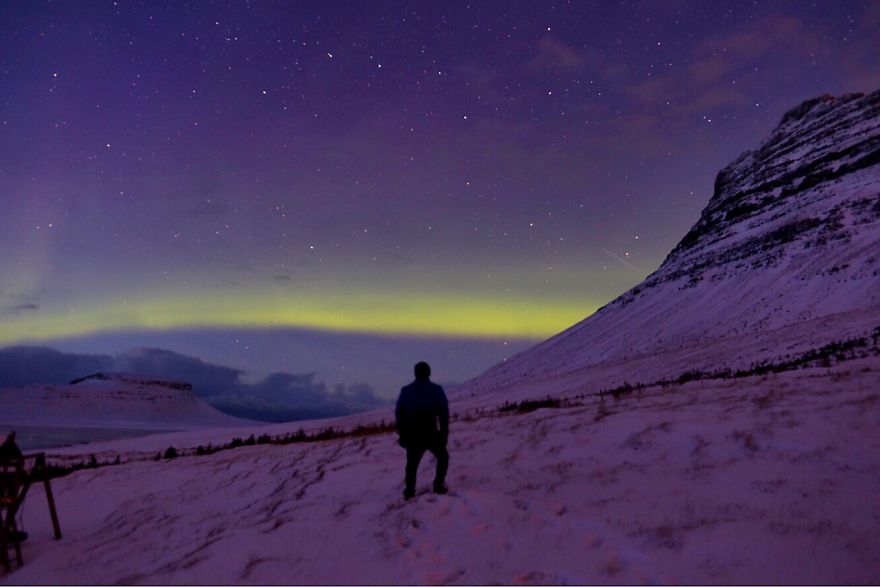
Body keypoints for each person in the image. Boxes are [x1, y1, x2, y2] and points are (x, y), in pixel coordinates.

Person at [395, 361, 449, 499]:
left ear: (415, 373)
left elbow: (399, 413)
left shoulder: (406, 391)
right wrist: (444, 433)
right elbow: (443, 412)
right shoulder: (436, 389)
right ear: (428, 373)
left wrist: (402, 433)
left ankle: (410, 491)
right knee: (443, 457)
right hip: (430, 432)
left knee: (412, 464)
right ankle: (438, 485)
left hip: (413, 433)